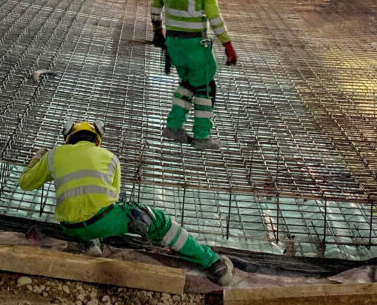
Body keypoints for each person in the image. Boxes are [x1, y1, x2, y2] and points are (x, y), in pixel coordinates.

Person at [19, 118, 234, 284]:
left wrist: (36, 159)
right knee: (151, 219)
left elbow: (25, 184)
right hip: (102, 223)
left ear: (68, 137)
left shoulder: (54, 155)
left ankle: (90, 241)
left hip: (68, 228)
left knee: (85, 209)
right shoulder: (110, 157)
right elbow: (112, 196)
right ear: (97, 139)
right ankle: (213, 263)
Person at [150, 0, 237, 150]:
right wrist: (227, 44)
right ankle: (202, 137)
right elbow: (214, 16)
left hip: (174, 44)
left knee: (187, 83)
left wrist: (157, 32)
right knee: (206, 88)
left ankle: (173, 126)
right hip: (195, 47)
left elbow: (155, 8)